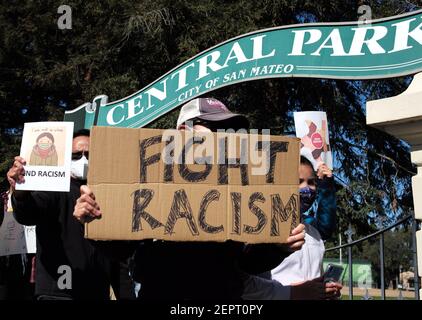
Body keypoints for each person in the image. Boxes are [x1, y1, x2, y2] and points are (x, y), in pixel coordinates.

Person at [74, 97, 306, 300]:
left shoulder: (238, 188)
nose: (224, 137)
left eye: (229, 130)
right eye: (213, 127)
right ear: (184, 131)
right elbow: (123, 251)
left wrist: (278, 248)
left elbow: (246, 265)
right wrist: (94, 220)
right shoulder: (147, 179)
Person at [7, 129, 135, 300]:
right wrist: (21, 192)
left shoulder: (107, 192)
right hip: (59, 292)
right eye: (76, 155)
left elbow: (117, 257)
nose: (83, 160)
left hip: (97, 291)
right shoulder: (54, 188)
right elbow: (28, 214)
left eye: (89, 154)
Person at [242, 156, 342, 299]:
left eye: (311, 182)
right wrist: (293, 292)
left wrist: (323, 289)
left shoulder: (314, 233)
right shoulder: (258, 228)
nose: (306, 189)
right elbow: (241, 282)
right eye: (298, 182)